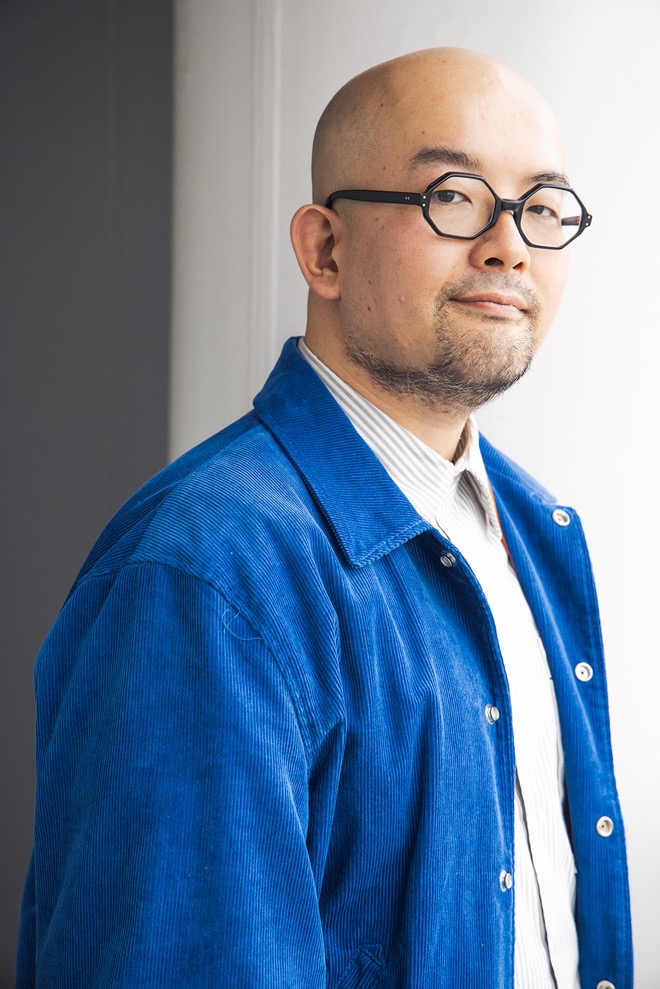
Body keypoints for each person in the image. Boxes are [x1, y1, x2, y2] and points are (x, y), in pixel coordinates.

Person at [16, 47, 632, 989]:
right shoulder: (206, 573)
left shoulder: (538, 534)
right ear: (325, 250)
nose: (510, 245)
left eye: (541, 207)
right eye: (454, 195)